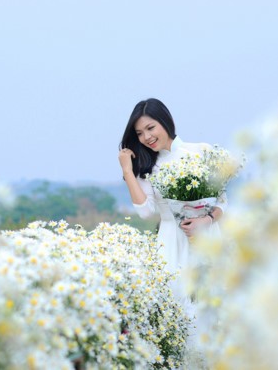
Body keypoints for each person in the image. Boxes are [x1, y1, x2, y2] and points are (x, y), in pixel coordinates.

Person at [117, 98, 226, 359]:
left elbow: (223, 203)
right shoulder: (148, 167)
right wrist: (128, 171)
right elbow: (145, 211)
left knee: (213, 311)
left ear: (166, 121)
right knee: (178, 312)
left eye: (150, 128)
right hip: (171, 242)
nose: (146, 137)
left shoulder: (201, 151)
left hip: (206, 237)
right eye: (140, 133)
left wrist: (206, 221)